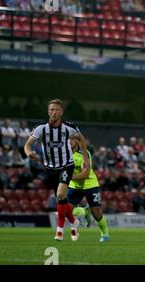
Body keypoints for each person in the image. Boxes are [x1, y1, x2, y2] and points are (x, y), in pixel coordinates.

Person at [24, 99, 89, 241]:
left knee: (60, 194)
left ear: (62, 112)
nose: (54, 112)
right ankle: (73, 222)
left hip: (66, 165)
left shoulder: (69, 127)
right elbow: (27, 145)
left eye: (57, 110)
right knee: (62, 199)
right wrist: (29, 153)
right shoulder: (41, 128)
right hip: (50, 168)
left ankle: (59, 231)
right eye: (52, 109)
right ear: (48, 112)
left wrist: (84, 158)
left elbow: (82, 140)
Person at [67, 136, 110, 243]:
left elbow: (85, 174)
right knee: (65, 210)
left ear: (77, 141)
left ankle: (105, 234)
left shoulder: (84, 154)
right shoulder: (63, 155)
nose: (70, 141)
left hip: (89, 184)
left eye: (72, 139)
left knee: (97, 215)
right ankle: (85, 211)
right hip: (74, 185)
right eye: (68, 139)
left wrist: (68, 178)